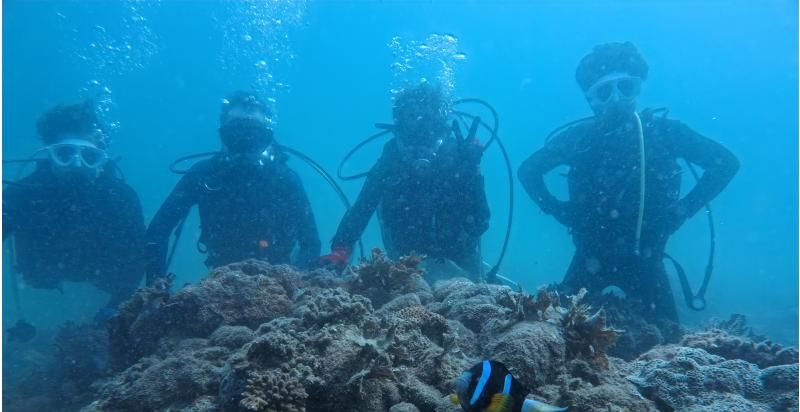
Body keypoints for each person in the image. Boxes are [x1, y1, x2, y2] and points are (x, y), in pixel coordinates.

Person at [519, 42, 739, 328]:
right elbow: (529, 171)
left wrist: (682, 210)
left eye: (626, 87)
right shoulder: (580, 139)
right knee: (556, 337)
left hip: (647, 261)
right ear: (591, 99)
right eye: (604, 91)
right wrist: (559, 211)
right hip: (590, 257)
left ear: (638, 89)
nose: (616, 99)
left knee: (666, 347)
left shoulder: (665, 134)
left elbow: (725, 163)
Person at [145, 91, 321, 282]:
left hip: (278, 277)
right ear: (223, 134)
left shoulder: (285, 179)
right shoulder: (203, 175)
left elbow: (310, 243)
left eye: (254, 136)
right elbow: (157, 232)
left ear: (267, 137)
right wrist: (156, 291)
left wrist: (294, 284)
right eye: (235, 134)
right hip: (220, 277)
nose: (244, 143)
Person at [322, 82, 490, 281]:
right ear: (399, 120)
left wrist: (472, 173)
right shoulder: (392, 157)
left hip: (461, 263)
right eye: (411, 117)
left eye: (427, 118)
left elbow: (479, 224)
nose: (420, 126)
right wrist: (341, 248)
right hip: (403, 267)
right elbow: (363, 206)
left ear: (439, 119)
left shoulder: (458, 155)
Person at [2, 100, 146, 314]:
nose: (77, 165)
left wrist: (118, 303)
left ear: (101, 157)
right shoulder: (22, 194)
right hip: (45, 274)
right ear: (49, 154)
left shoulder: (122, 197)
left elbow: (138, 257)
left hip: (101, 275)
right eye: (64, 154)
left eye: (89, 157)